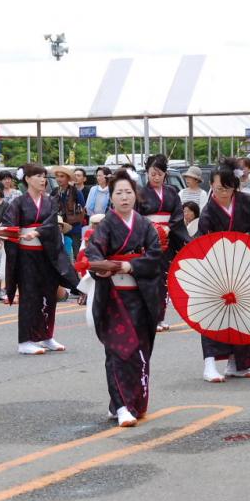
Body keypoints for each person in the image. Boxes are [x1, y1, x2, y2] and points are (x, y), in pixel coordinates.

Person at [83, 170, 163, 427]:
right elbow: (94, 253)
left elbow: (155, 256)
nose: (124, 197)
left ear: (135, 195)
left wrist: (130, 266)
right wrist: (104, 266)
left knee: (139, 351)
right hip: (114, 297)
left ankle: (131, 403)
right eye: (119, 193)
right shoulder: (106, 224)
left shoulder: (144, 225)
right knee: (118, 351)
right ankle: (120, 405)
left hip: (139, 297)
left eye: (128, 192)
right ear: (111, 198)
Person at [194, 162, 250, 381]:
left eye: (227, 188)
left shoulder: (249, 203)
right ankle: (209, 364)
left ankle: (237, 363)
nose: (222, 193)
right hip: (217, 266)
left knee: (244, 313)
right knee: (212, 315)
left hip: (245, 264)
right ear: (212, 187)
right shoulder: (209, 211)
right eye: (218, 189)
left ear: (235, 186)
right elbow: (202, 240)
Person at [3, 163, 79, 355]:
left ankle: (46, 335)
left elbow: (52, 222)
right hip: (26, 255)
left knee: (48, 293)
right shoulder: (18, 203)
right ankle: (25, 340)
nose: (42, 179)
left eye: (44, 176)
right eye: (37, 176)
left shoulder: (50, 201)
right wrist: (18, 232)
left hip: (47, 252)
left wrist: (36, 231)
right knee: (29, 296)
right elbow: (9, 225)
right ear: (27, 179)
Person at [136, 154, 192, 332]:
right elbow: (137, 216)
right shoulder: (140, 193)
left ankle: (160, 317)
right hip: (147, 238)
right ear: (147, 173)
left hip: (167, 238)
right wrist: (150, 229)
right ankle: (148, 317)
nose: (156, 177)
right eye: (153, 173)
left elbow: (177, 214)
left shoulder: (171, 192)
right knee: (148, 278)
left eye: (159, 174)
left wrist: (168, 228)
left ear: (165, 174)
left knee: (163, 279)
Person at [50, 166, 86, 259]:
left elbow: (83, 208)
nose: (59, 179)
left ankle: (77, 272)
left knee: (76, 254)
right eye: (57, 176)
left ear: (68, 178)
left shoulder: (76, 192)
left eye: (62, 176)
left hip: (75, 227)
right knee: (60, 254)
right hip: (59, 227)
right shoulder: (54, 191)